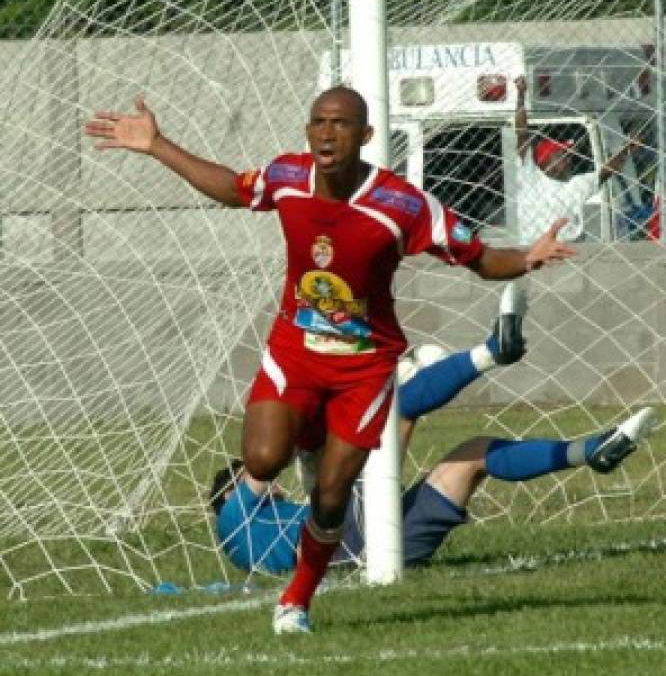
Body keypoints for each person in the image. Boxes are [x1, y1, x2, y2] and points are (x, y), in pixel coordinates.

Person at [85, 85, 575, 635]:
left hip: (363, 369)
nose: (326, 132)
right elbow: (229, 188)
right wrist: (157, 145)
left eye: (341, 123)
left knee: (333, 494)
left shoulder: (402, 205)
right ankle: (311, 434)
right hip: (294, 352)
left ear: (365, 136)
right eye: (318, 121)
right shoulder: (287, 178)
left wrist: (528, 258)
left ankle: (296, 600)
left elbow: (480, 258)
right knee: (264, 460)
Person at [211, 285, 657, 593]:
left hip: (388, 544)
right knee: (395, 411)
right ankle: (490, 352)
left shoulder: (251, 542)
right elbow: (272, 451)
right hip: (347, 536)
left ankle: (589, 452)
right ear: (229, 493)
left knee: (473, 455)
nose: (272, 481)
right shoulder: (237, 516)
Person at [515, 76, 641, 244]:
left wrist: (628, 149)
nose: (569, 161)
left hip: (569, 251)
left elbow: (607, 170)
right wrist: (521, 96)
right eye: (562, 156)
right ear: (545, 161)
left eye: (568, 157)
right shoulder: (530, 176)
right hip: (534, 250)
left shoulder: (577, 184)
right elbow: (521, 133)